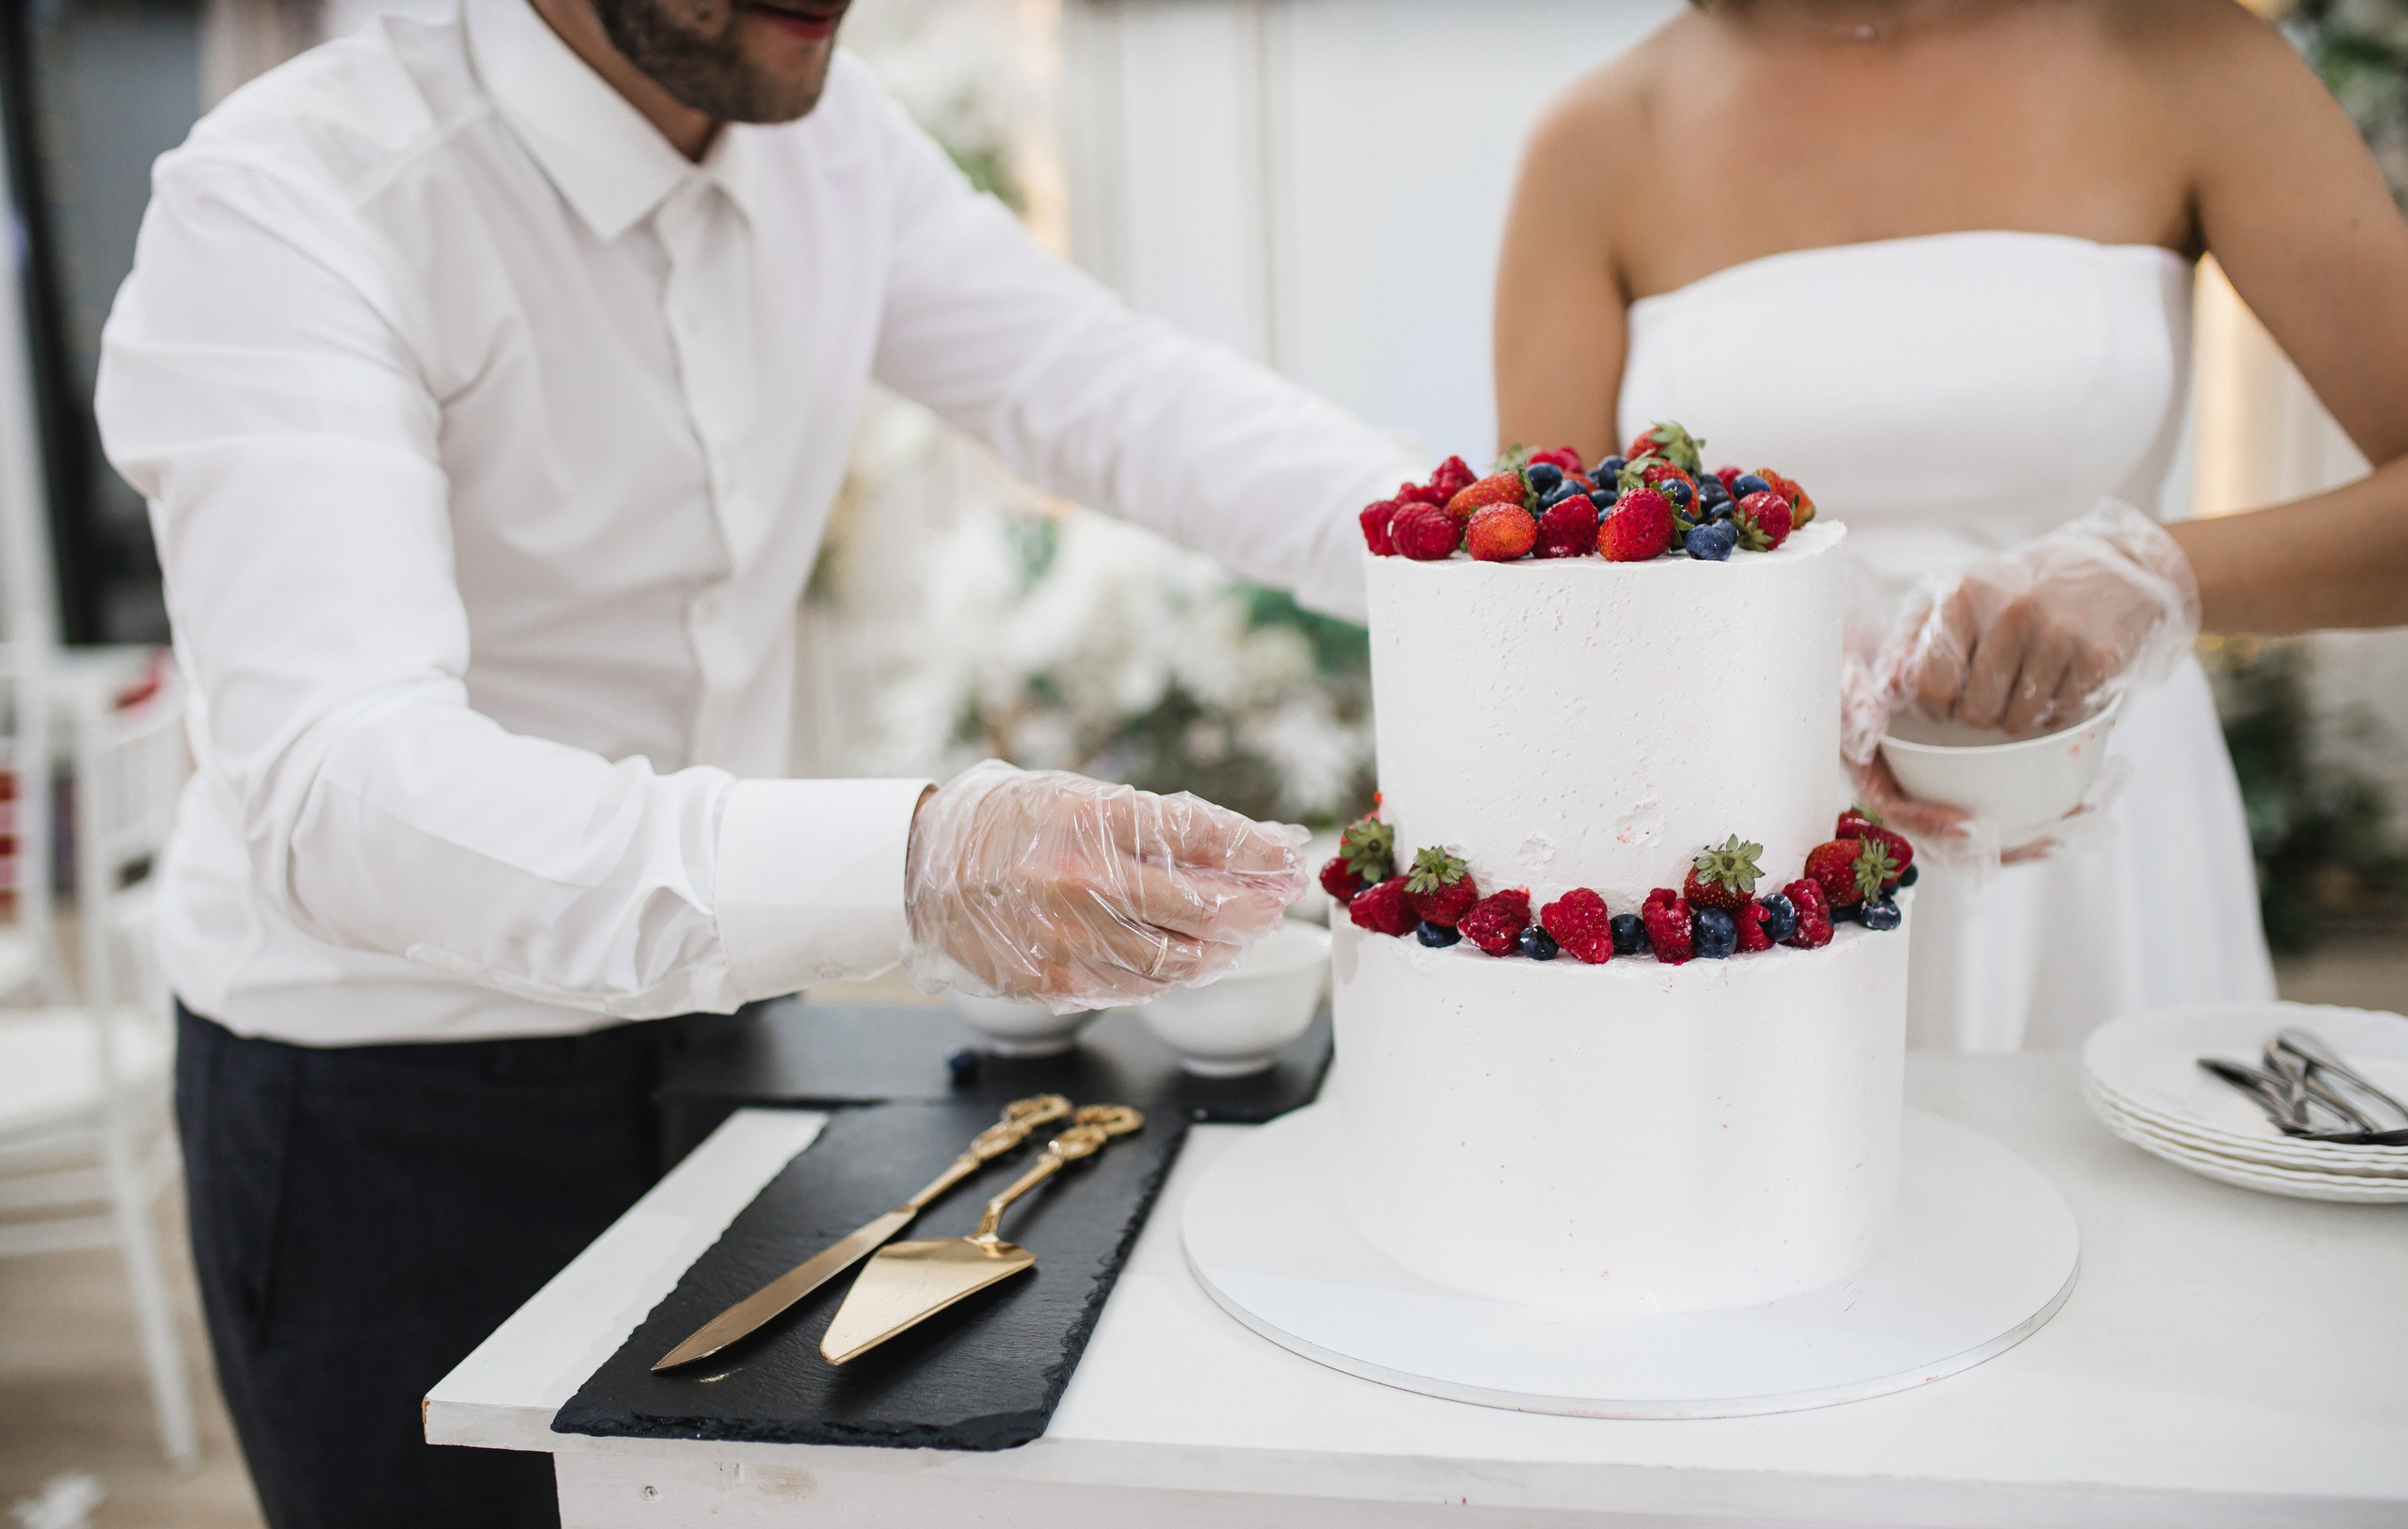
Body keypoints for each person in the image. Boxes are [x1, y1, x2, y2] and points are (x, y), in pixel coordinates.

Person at [92, 0, 1412, 1522]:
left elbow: (1114, 392)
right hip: (386, 1104)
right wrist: (922, 862)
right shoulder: (295, 199)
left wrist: (1481, 547)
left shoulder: (828, 139)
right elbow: (339, 789)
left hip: (731, 1032)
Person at [1492, 0, 2408, 1052]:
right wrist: (1758, 668)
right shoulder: (1597, 137)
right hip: (1751, 863)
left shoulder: (2192, 58)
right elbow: (1533, 612)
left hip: (2098, 841)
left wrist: (2152, 574)